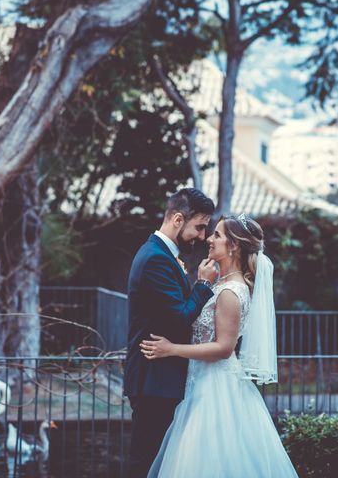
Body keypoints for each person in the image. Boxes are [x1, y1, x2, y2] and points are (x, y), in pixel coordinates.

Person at [140, 214, 298, 477]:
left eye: (217, 235)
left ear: (233, 246)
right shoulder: (220, 284)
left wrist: (171, 349)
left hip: (215, 388)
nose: (209, 240)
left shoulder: (229, 292)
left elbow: (224, 348)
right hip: (201, 380)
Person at [124, 188, 219, 478]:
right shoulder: (156, 259)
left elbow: (169, 312)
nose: (202, 236)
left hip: (160, 378)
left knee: (157, 462)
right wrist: (202, 285)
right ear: (178, 219)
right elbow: (180, 318)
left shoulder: (161, 255)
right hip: (155, 380)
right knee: (146, 462)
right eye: (199, 227)